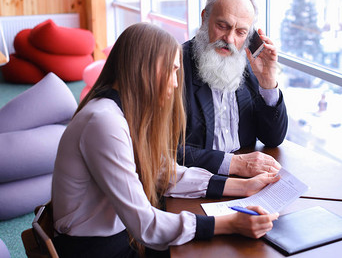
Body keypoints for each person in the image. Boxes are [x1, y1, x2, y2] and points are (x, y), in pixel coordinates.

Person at [51, 23, 280, 258]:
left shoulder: (123, 112)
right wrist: (229, 224)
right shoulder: (103, 122)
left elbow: (163, 174)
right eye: (171, 70)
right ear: (144, 68)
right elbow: (145, 225)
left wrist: (243, 186)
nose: (174, 83)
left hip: (117, 237)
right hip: (97, 250)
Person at [180, 0, 288, 178]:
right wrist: (233, 164)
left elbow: (273, 138)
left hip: (249, 177)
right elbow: (162, 150)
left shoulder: (250, 66)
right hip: (195, 181)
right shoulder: (175, 67)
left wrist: (268, 81)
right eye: (222, 26)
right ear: (205, 18)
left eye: (241, 32)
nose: (229, 39)